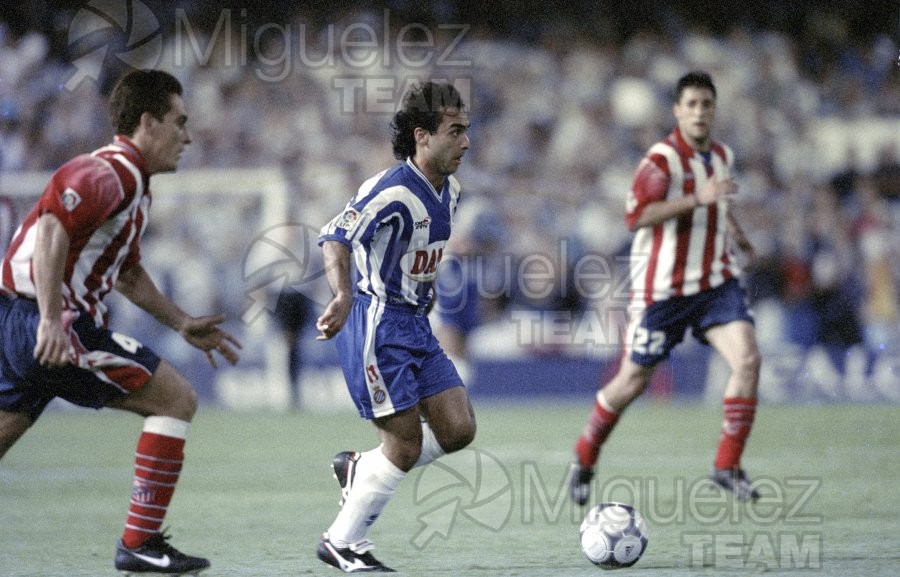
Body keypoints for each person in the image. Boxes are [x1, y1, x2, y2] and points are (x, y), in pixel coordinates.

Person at [0, 69, 242, 575]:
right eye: (179, 122)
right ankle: (140, 542)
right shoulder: (111, 173)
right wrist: (50, 320)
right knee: (175, 398)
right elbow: (52, 226)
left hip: (16, 320)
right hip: (46, 325)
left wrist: (180, 322)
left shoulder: (132, 186)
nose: (187, 137)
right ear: (148, 122)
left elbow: (127, 274)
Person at [568, 71, 763, 505]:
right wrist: (696, 199)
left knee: (748, 359)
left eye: (706, 104)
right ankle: (584, 455)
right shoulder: (661, 161)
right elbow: (636, 217)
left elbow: (718, 204)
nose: (699, 112)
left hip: (716, 282)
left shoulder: (722, 155)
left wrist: (738, 235)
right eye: (691, 104)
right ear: (677, 110)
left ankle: (727, 465)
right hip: (664, 291)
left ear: (714, 110)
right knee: (631, 382)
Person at [315, 81, 476, 573]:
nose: (466, 141)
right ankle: (342, 542)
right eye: (455, 131)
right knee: (404, 446)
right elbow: (335, 236)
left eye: (466, 130)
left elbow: (419, 255)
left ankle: (362, 468)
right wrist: (343, 294)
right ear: (422, 135)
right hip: (378, 325)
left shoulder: (451, 191)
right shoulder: (392, 190)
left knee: (458, 428)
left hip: (417, 324)